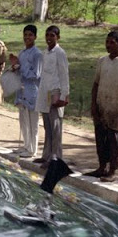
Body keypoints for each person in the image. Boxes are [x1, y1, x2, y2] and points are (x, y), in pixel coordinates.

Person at [86, 30, 118, 182]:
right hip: (102, 104)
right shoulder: (102, 61)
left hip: (117, 107)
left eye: (112, 43)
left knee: (114, 140)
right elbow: (96, 83)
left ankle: (112, 169)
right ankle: (102, 167)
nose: (108, 45)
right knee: (100, 138)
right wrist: (94, 104)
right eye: (107, 42)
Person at [34, 25, 70, 164]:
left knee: (56, 127)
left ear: (58, 37)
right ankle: (46, 155)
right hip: (45, 92)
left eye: (52, 36)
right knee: (47, 126)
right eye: (47, 35)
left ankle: (56, 158)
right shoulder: (45, 53)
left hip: (56, 92)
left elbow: (64, 74)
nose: (49, 38)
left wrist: (63, 96)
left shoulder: (60, 53)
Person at [9, 24, 42, 158]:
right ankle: (26, 145)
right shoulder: (22, 52)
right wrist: (14, 66)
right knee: (23, 119)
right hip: (21, 89)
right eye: (26, 34)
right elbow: (19, 69)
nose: (27, 37)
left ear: (35, 37)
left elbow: (36, 74)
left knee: (32, 120)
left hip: (32, 90)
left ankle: (32, 149)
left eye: (30, 35)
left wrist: (20, 68)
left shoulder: (37, 54)